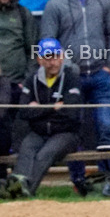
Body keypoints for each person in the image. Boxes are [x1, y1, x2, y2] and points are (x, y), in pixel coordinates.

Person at [40, 0, 110, 192]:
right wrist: (63, 71)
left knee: (106, 127)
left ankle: (108, 177)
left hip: (100, 73)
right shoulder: (54, 4)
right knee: (73, 130)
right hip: (70, 78)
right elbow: (48, 41)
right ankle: (78, 180)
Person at [2, 38, 81, 198]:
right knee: (26, 150)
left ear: (62, 57)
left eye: (55, 57)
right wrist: (53, 107)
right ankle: (16, 188)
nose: (52, 62)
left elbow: (71, 113)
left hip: (65, 134)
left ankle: (24, 192)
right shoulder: (31, 79)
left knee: (44, 155)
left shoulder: (71, 77)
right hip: (38, 132)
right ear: (39, 59)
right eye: (47, 58)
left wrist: (39, 108)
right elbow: (24, 112)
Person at [0, 0, 37, 181]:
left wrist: (26, 80)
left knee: (11, 132)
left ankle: (14, 178)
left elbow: (32, 50)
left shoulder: (23, 14)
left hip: (15, 83)